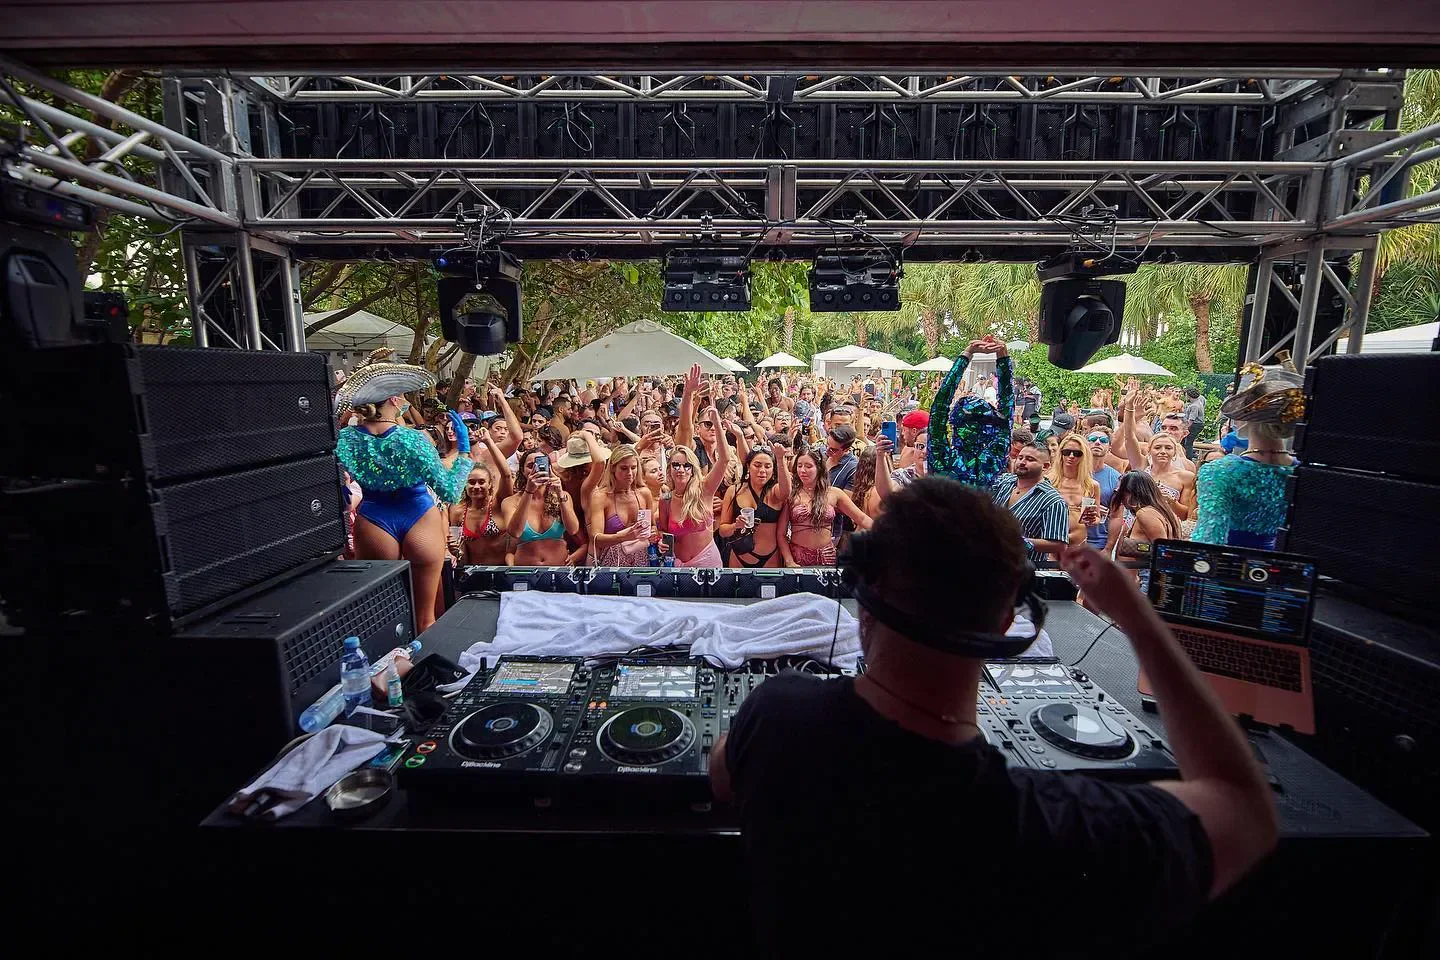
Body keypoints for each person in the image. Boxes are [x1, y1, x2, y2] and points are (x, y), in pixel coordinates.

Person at [710, 477, 1277, 954]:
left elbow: (722, 773)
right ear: (1010, 623)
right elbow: (1246, 811)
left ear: (864, 589)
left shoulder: (776, 713)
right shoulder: (1049, 822)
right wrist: (1137, 615)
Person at [334, 361, 472, 631]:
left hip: (374, 519)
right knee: (425, 619)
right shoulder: (413, 439)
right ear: (395, 400)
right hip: (419, 515)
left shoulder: (346, 439)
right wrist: (464, 453)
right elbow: (450, 490)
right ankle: (420, 670)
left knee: (380, 621)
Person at [1193, 359, 1303, 550]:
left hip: (1229, 575)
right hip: (1290, 575)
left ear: (1244, 419)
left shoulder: (1221, 472)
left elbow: (1209, 542)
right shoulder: (1305, 475)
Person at [928, 336, 1013, 489]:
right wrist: (1002, 356)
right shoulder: (991, 460)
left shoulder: (943, 460)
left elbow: (939, 407)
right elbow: (1007, 408)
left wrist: (967, 354)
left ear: (955, 424)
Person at [781, 448, 872, 567]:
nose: (802, 470)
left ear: (819, 468)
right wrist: (789, 560)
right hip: (797, 558)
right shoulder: (791, 495)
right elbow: (781, 533)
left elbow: (862, 519)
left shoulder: (834, 493)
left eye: (808, 466)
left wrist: (890, 532)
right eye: (799, 466)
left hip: (827, 558)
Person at [660, 416, 731, 568]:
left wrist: (717, 423)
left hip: (707, 562)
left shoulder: (705, 489)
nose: (681, 469)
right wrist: (661, 542)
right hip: (678, 565)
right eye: (676, 465)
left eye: (686, 465)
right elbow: (664, 533)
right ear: (669, 469)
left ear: (693, 469)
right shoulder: (665, 498)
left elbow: (724, 459)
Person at [990, 442, 1069, 564]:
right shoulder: (1003, 482)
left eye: (1030, 459)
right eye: (1020, 457)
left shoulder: (1053, 500)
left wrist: (1018, 541)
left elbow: (1058, 544)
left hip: (1023, 569)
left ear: (1046, 466)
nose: (1022, 462)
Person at [1105, 471, 1183, 592]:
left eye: (1122, 493)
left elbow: (1163, 551)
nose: (1121, 499)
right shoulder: (1154, 511)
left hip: (1146, 580)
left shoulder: (1146, 514)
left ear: (1130, 493)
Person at [502, 449, 581, 566]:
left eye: (540, 464)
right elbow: (515, 532)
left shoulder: (562, 496)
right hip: (526, 572)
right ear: (523, 471)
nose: (536, 470)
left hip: (558, 571)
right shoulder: (510, 502)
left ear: (549, 468)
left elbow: (573, 529)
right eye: (530, 466)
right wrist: (528, 492)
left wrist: (560, 493)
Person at [448, 430, 514, 566]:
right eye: (472, 482)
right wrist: (455, 551)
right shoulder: (457, 510)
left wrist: (488, 442)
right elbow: (460, 549)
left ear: (490, 484)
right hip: (472, 573)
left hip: (501, 572)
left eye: (481, 482)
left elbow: (506, 475)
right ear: (465, 485)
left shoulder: (498, 503)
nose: (476, 486)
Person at [718, 446, 792, 568]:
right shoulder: (734, 491)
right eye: (757, 465)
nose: (762, 470)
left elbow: (786, 492)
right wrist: (735, 526)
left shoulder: (775, 492)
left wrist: (780, 458)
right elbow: (722, 531)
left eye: (768, 466)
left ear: (773, 470)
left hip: (770, 557)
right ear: (748, 467)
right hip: (738, 555)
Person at [588, 444, 657, 567]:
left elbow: (653, 527)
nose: (630, 473)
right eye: (624, 468)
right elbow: (595, 539)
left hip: (642, 561)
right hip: (613, 562)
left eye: (633, 467)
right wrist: (622, 537)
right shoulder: (601, 497)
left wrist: (652, 533)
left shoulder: (644, 493)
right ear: (613, 468)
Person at [1047, 434, 1102, 546]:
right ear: (1061, 454)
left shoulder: (1092, 485)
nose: (1071, 456)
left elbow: (1097, 518)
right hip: (1051, 544)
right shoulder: (1048, 481)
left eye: (1077, 453)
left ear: (1084, 456)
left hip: (1079, 545)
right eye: (1066, 452)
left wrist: (1091, 519)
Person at [1085, 426, 1123, 551]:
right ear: (1085, 444)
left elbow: (1117, 516)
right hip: (1070, 539)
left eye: (1103, 440)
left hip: (1098, 542)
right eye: (1092, 439)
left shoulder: (1116, 478)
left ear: (1109, 448)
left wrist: (1108, 548)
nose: (1097, 442)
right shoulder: (1070, 471)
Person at [1182, 386, 1207, 460]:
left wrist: (1185, 428)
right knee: (1185, 441)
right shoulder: (1199, 401)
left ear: (1189, 396)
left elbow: (1191, 420)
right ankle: (1190, 454)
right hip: (1198, 425)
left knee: (1188, 442)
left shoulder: (1194, 406)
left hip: (1195, 425)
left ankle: (1188, 458)